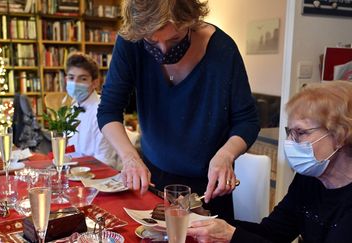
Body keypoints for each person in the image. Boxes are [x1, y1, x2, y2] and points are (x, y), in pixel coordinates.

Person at [97, 0, 259, 221]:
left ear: (191, 21)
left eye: (175, 39)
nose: (163, 51)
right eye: (152, 41)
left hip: (207, 188)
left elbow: (247, 120)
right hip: (152, 182)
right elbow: (108, 109)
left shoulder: (222, 50)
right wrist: (129, 158)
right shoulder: (131, 42)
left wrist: (226, 155)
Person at [187, 80, 352, 243]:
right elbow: (272, 233)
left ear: (340, 136)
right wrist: (208, 221)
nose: (290, 141)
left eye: (300, 132)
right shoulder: (309, 179)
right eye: (290, 132)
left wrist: (232, 236)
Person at [64, 52, 120, 169]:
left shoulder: (103, 112)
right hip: (74, 171)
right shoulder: (71, 108)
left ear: (95, 83)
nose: (75, 83)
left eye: (82, 79)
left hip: (99, 176)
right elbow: (70, 149)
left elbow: (105, 160)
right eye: (71, 78)